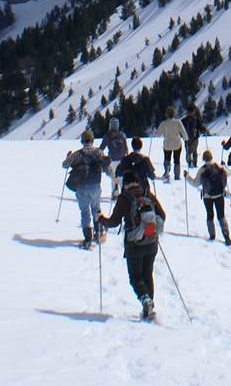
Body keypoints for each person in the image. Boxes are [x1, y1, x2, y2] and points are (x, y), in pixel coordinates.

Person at [98, 175, 166, 321]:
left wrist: (101, 219)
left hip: (134, 244)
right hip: (152, 242)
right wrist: (151, 227)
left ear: (126, 185)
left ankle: (145, 299)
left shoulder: (125, 198)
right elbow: (162, 215)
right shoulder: (148, 194)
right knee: (147, 274)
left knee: (135, 277)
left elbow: (114, 222)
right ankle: (148, 308)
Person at [62, 130, 110, 249]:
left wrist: (68, 157)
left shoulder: (77, 154)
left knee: (85, 212)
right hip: (95, 185)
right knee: (96, 209)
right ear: (92, 140)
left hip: (81, 187)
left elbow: (64, 165)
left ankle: (87, 239)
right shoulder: (98, 152)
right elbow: (106, 167)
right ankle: (99, 233)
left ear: (82, 141)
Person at [191, 149, 231, 244]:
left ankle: (212, 235)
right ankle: (226, 236)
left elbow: (195, 183)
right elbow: (229, 173)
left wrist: (187, 177)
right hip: (219, 195)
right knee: (221, 216)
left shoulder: (202, 169)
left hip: (207, 196)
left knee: (210, 215)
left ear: (204, 159)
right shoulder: (219, 166)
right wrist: (224, 165)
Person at [156, 105, 188, 182]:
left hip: (167, 144)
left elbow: (158, 133)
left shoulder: (163, 123)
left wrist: (156, 130)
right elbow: (183, 132)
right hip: (177, 143)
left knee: (167, 158)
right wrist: (186, 139)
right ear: (174, 114)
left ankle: (167, 171)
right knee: (177, 160)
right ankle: (177, 176)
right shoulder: (178, 122)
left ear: (166, 114)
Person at [102, 117, 130, 193]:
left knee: (114, 178)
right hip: (122, 160)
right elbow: (126, 148)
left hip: (112, 160)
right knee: (122, 177)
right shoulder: (122, 135)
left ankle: (115, 193)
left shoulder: (107, 136)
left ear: (110, 125)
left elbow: (101, 148)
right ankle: (124, 193)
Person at [181, 103, 202, 169]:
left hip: (186, 137)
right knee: (194, 150)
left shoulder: (184, 120)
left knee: (188, 151)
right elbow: (200, 127)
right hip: (195, 137)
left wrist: (181, 135)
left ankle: (189, 162)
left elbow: (180, 129)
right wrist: (204, 130)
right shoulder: (196, 119)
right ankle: (194, 163)